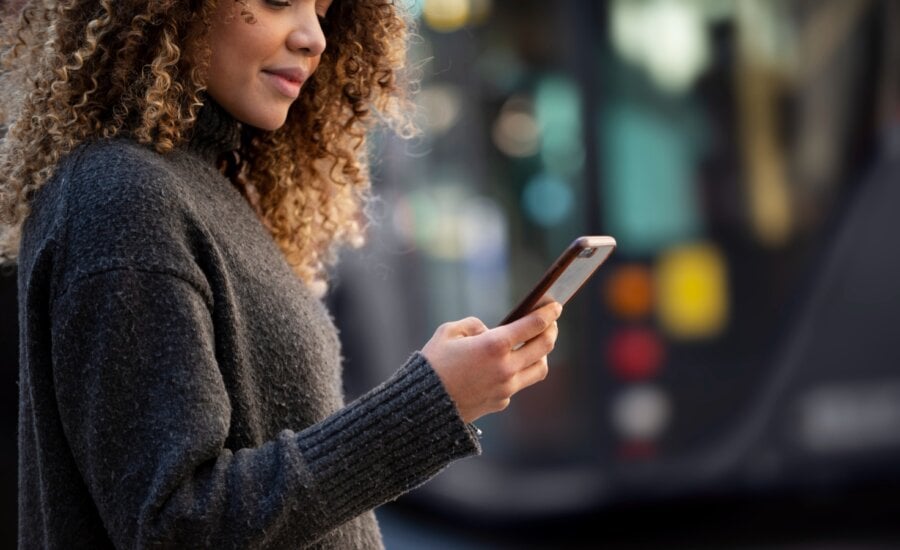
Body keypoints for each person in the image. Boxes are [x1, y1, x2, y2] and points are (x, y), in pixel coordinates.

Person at [0, 1, 561, 548]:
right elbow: (175, 525)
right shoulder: (122, 198)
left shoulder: (203, 184)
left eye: (320, 9)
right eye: (276, 2)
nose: (313, 37)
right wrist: (431, 404)